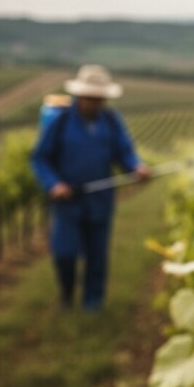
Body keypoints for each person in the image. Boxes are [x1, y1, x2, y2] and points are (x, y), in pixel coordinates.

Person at [31, 65, 150, 311]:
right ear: (80, 96)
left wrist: (135, 167)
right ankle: (66, 293)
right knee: (64, 252)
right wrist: (54, 184)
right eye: (91, 98)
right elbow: (40, 158)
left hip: (100, 201)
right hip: (67, 201)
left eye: (100, 99)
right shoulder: (60, 121)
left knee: (97, 255)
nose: (95, 103)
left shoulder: (110, 120)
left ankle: (92, 305)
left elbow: (124, 152)